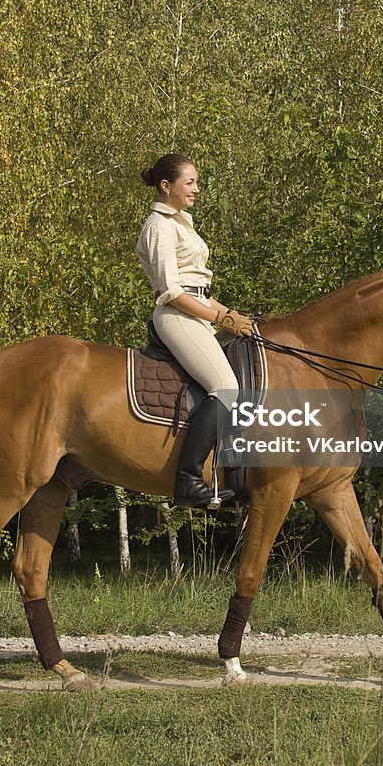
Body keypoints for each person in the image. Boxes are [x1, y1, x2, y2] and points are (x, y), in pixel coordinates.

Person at [137, 153, 253, 507]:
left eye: (196, 182)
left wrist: (232, 315)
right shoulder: (159, 226)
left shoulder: (182, 223)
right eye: (190, 183)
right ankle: (187, 479)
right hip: (176, 315)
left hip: (198, 312)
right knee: (227, 387)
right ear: (166, 186)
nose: (197, 189)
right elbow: (172, 290)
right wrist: (221, 318)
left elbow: (200, 288)